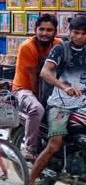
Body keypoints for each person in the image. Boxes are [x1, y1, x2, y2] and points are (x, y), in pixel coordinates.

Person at [28, 15, 86, 185]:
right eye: (76, 32)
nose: (79, 37)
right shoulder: (61, 49)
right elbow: (45, 72)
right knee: (54, 145)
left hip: (82, 104)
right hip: (60, 103)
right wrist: (65, 87)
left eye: (84, 34)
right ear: (69, 32)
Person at [12, 14, 60, 161]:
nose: (45, 33)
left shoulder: (58, 45)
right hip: (24, 89)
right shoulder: (27, 47)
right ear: (35, 29)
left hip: (49, 88)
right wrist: (41, 101)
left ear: (55, 32)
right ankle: (30, 148)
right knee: (37, 108)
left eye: (49, 30)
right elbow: (34, 79)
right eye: (41, 29)